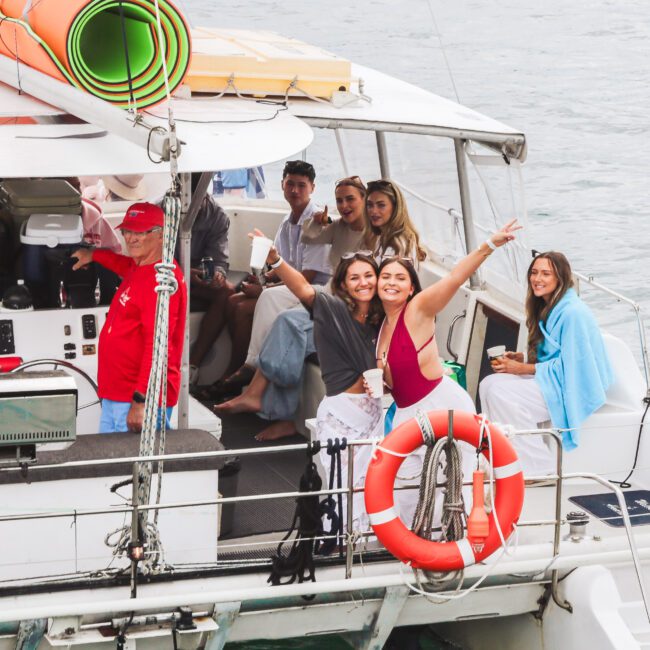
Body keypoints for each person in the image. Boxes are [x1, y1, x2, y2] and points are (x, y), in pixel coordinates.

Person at [373, 220, 520, 523]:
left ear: (411, 287)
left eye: (400, 278)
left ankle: (461, 537)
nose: (391, 282)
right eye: (385, 276)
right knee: (408, 486)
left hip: (442, 404)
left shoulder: (417, 309)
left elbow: (454, 278)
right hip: (405, 413)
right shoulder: (382, 326)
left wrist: (489, 246)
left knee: (456, 480)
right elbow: (397, 379)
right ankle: (416, 541)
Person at [251, 228, 384, 532]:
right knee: (341, 486)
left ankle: (364, 542)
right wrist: (276, 260)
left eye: (368, 275)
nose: (363, 282)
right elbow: (304, 290)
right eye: (354, 278)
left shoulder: (385, 320)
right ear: (343, 285)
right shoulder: (333, 309)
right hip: (341, 413)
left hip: (376, 413)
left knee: (370, 486)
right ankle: (336, 541)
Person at [215, 177, 367, 441]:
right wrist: (318, 221)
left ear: (363, 199)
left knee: (289, 323)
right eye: (340, 200)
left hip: (347, 304)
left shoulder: (375, 236)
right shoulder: (339, 227)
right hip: (332, 292)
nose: (344, 205)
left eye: (350, 199)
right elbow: (309, 236)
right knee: (272, 303)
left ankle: (261, 395)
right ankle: (254, 368)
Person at [479, 251, 614, 475]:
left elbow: (576, 368)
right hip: (554, 377)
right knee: (488, 384)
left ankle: (538, 468)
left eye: (545, 274)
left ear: (559, 278)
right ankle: (505, 457)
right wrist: (523, 358)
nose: (537, 279)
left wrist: (524, 369)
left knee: (501, 393)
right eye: (534, 273)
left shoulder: (572, 313)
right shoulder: (547, 306)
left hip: (574, 386)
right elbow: (554, 354)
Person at [208, 160, 330, 396]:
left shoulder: (317, 225)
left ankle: (246, 369)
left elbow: (306, 277)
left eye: (302, 185)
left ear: (312, 188)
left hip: (313, 291)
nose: (295, 190)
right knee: (233, 300)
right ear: (282, 185)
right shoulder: (287, 223)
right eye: (290, 184)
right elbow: (280, 265)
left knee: (245, 308)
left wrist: (265, 290)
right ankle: (238, 372)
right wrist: (262, 280)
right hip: (291, 288)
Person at [72, 202, 187, 434]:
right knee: (112, 466)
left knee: (132, 467)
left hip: (135, 399)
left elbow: (158, 346)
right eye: (128, 231)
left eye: (141, 232)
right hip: (117, 394)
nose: (131, 238)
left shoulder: (161, 282)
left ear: (161, 236)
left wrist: (141, 400)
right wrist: (93, 255)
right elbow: (123, 264)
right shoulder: (142, 266)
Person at [179, 174, 234, 386]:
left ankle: (193, 365)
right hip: (167, 275)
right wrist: (184, 273)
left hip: (197, 277)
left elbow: (218, 259)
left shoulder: (218, 216)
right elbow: (153, 259)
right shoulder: (161, 210)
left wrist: (217, 275)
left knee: (228, 292)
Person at [362, 179, 426, 262]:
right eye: (370, 205)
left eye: (381, 205)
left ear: (395, 208)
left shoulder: (397, 245)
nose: (373, 211)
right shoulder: (384, 236)